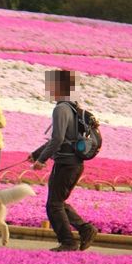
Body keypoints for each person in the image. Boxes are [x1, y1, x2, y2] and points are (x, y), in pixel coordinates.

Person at [28, 70, 98, 252]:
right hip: (74, 163)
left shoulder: (60, 109)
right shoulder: (73, 107)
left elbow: (58, 138)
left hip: (66, 163)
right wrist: (36, 154)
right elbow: (61, 138)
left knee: (54, 205)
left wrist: (41, 160)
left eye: (51, 85)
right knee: (58, 201)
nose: (48, 88)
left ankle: (68, 242)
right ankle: (85, 229)